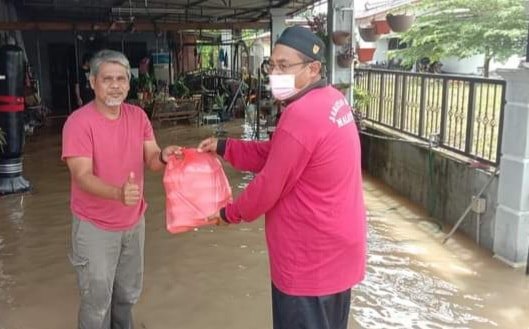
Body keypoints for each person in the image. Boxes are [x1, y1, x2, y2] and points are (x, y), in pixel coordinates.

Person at [198, 26, 367, 329]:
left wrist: (228, 214)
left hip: (309, 262)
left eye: (284, 66)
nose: (274, 73)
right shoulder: (332, 100)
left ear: (313, 68)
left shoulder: (301, 115)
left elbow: (268, 185)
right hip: (338, 254)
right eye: (272, 65)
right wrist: (226, 147)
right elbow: (279, 154)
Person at [62, 49, 182, 329]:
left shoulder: (138, 116)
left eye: (121, 79)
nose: (115, 85)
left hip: (133, 223)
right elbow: (81, 175)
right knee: (96, 301)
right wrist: (118, 194)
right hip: (94, 227)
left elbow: (151, 159)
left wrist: (165, 156)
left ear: (129, 83)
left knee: (127, 295)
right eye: (107, 79)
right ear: (92, 82)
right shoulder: (78, 123)